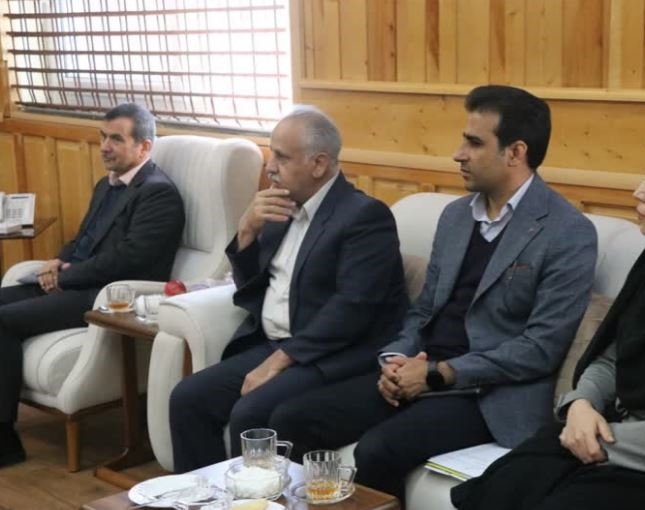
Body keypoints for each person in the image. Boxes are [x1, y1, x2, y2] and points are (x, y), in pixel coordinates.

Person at [269, 85, 597, 501]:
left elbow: (539, 349)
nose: (458, 154)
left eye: (474, 142)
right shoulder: (456, 216)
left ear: (515, 152)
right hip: (420, 370)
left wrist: (438, 374)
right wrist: (394, 360)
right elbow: (423, 310)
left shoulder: (568, 232)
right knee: (292, 418)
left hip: (486, 393)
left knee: (379, 449)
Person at [451, 124, 645, 510]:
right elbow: (613, 358)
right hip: (604, 435)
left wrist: (594, 436)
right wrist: (580, 404)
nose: (637, 192)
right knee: (503, 483)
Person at [168, 106, 408, 472]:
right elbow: (250, 289)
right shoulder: (280, 206)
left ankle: (254, 497)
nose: (270, 167)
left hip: (328, 354)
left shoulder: (364, 217)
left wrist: (279, 360)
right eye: (271, 155)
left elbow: (352, 308)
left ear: (319, 163)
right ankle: (209, 494)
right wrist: (247, 230)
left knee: (251, 413)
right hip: (274, 344)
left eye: (281, 157)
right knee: (188, 398)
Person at [0, 103, 185, 468]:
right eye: (102, 137)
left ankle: (4, 438)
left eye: (116, 139)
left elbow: (129, 259)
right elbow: (83, 237)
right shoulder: (106, 184)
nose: (104, 147)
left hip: (104, 296)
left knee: (3, 322)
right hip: (73, 280)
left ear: (144, 147)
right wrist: (56, 261)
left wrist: (66, 276)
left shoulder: (158, 193)